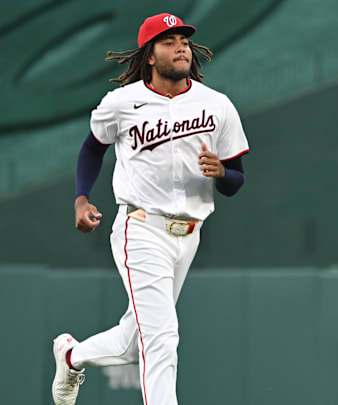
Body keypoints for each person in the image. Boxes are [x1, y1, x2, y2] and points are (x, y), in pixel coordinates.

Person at [51, 13, 249, 405]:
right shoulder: (122, 103)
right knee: (162, 337)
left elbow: (235, 182)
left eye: (184, 39)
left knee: (135, 342)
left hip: (188, 235)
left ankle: (72, 356)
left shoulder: (217, 105)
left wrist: (222, 172)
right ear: (151, 56)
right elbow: (93, 147)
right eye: (168, 41)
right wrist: (81, 197)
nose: (181, 46)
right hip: (140, 227)